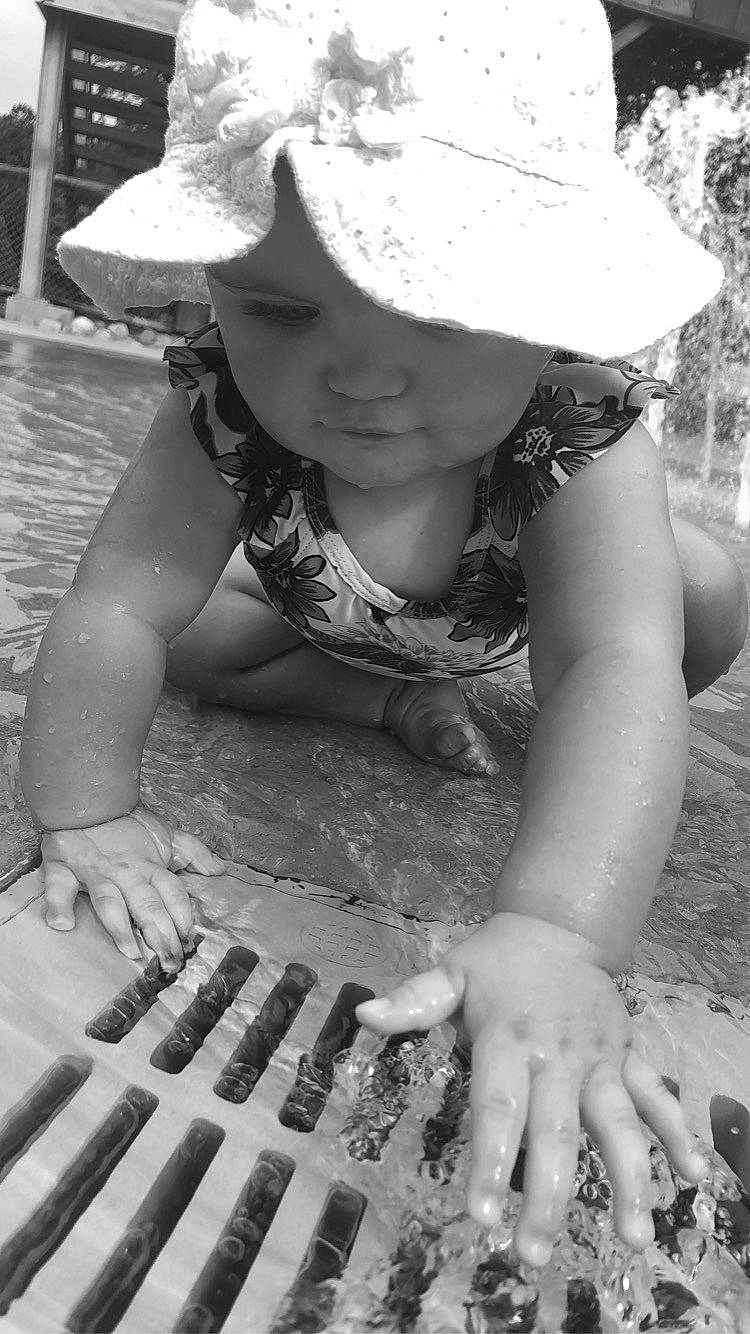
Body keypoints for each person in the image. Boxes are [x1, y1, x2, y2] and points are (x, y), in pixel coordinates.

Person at [20, 0, 747, 1271]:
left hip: (519, 614)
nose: (356, 377)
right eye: (283, 311)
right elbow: (120, 601)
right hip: (337, 612)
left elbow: (612, 659)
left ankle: (537, 716)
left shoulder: (572, 431)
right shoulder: (229, 409)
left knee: (688, 603)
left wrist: (559, 930)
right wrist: (85, 810)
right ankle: (373, 701)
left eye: (442, 312)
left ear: (550, 299)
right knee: (191, 637)